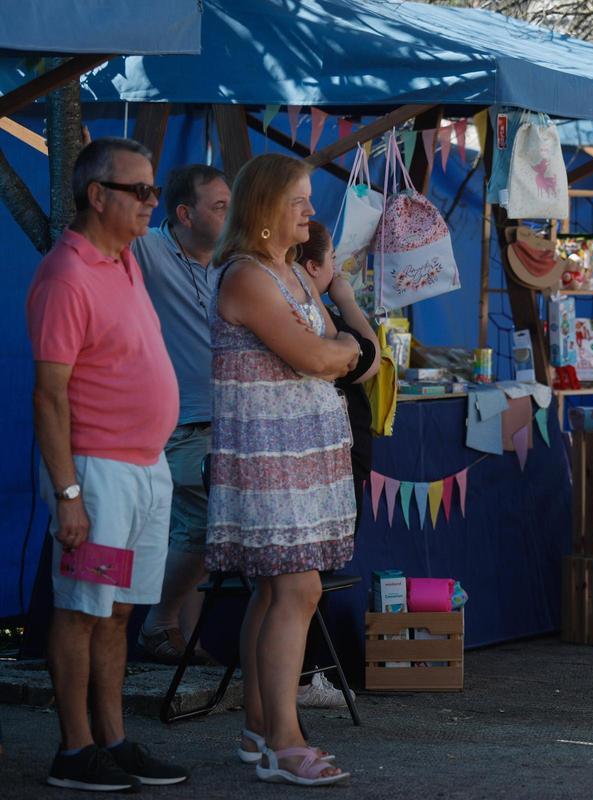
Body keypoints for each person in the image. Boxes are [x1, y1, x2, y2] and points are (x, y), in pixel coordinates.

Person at [27, 137, 189, 791]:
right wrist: (69, 493)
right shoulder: (66, 275)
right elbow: (49, 395)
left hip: (146, 469)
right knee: (82, 610)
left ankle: (113, 740)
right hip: (98, 476)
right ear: (98, 196)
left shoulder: (123, 261)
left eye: (155, 189)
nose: (152, 201)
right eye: (140, 190)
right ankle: (74, 750)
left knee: (119, 611)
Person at [206, 154, 360, 785]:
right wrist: (339, 350)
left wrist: (336, 349)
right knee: (298, 590)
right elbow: (318, 355)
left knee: (274, 590)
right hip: (268, 456)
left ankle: (257, 729)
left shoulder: (291, 271)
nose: (311, 211)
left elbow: (332, 348)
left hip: (302, 454)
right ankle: (283, 741)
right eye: (299, 200)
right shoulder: (247, 275)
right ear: (266, 208)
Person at [133, 164, 230, 664]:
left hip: (230, 422)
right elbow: (89, 233)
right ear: (185, 215)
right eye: (220, 206)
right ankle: (159, 624)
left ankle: (186, 643)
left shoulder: (234, 260)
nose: (231, 214)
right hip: (183, 424)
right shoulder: (147, 250)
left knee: (200, 533)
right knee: (205, 527)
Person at [294, 219, 380, 709]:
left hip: (336, 454)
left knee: (314, 574)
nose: (337, 270)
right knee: (315, 574)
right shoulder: (313, 312)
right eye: (332, 262)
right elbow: (369, 360)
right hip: (332, 457)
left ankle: (304, 675)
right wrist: (346, 299)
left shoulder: (304, 309)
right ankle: (304, 677)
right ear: (313, 267)